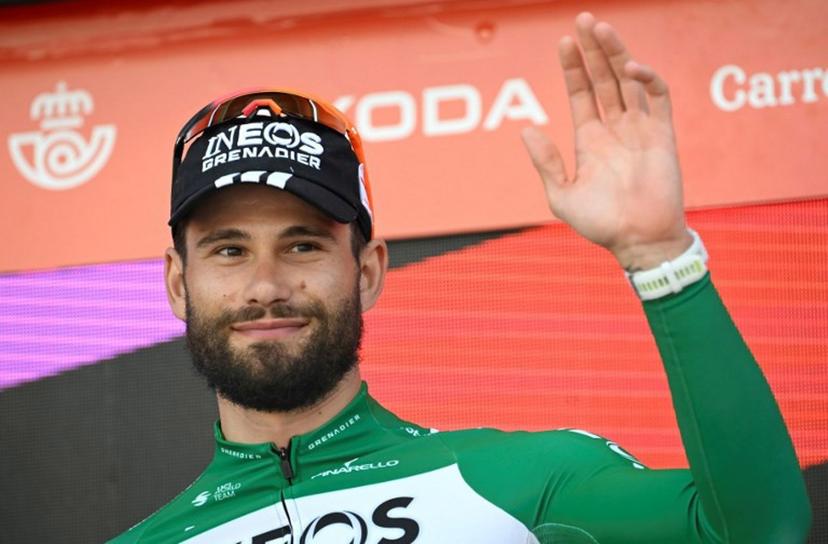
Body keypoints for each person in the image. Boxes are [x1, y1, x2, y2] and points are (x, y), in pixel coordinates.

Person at [108, 12, 811, 543]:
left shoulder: (520, 481)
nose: (264, 285)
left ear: (369, 271)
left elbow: (758, 531)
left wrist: (663, 257)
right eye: (229, 251)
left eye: (302, 246)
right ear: (177, 284)